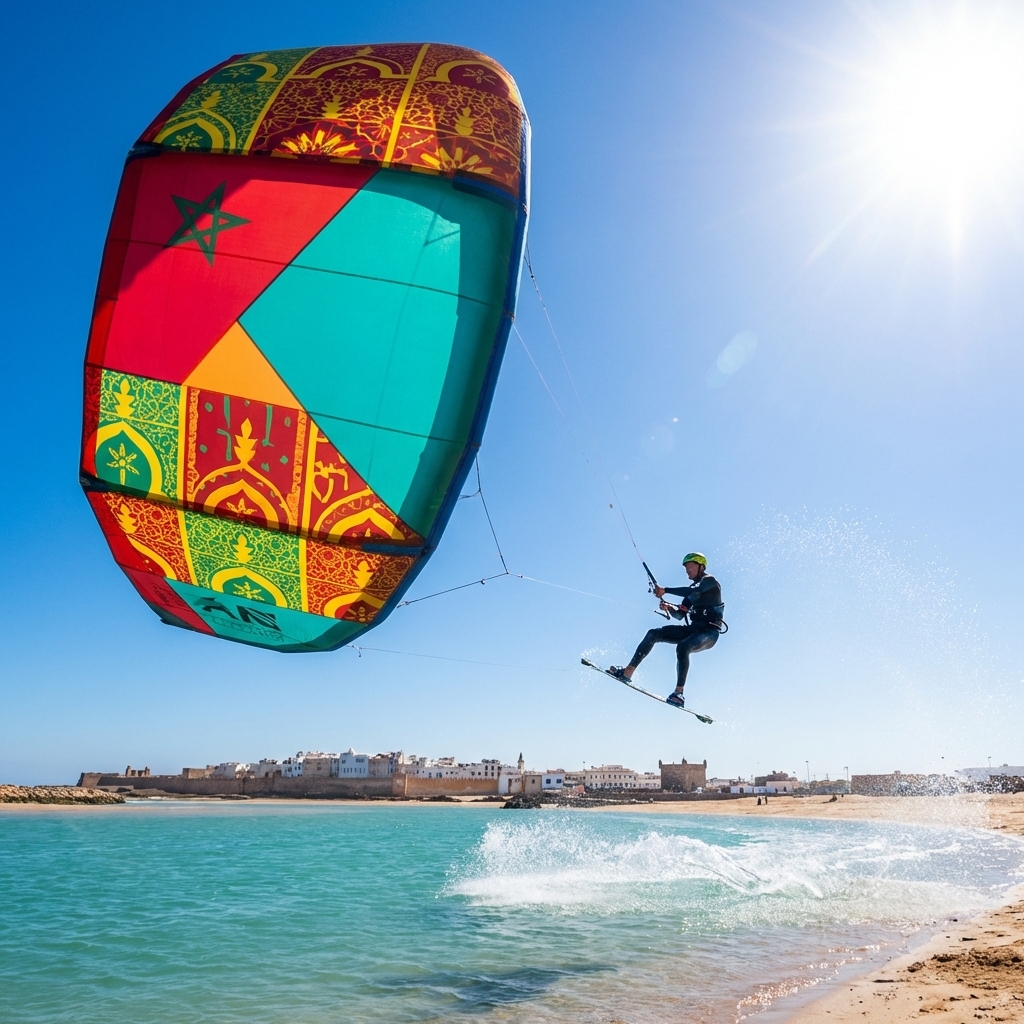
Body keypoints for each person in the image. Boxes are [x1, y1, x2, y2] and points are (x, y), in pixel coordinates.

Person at [610, 553, 725, 707]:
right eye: (685, 568)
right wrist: (669, 608)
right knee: (654, 633)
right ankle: (628, 671)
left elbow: (693, 591)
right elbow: (680, 615)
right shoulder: (691, 593)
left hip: (709, 633)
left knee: (683, 646)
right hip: (693, 630)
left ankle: (679, 694)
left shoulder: (710, 581)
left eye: (690, 566)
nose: (687, 570)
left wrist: (665, 590)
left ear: (701, 566)